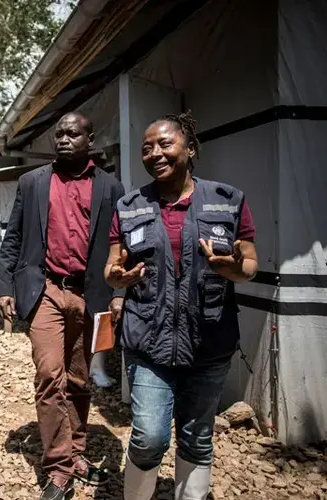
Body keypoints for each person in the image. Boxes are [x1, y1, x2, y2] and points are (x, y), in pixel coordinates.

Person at [105, 111, 258, 500]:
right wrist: (116, 280)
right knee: (149, 436)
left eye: (165, 144)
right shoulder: (128, 206)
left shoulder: (228, 200)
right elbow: (111, 267)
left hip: (209, 341)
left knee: (196, 437)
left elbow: (250, 264)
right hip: (148, 340)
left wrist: (235, 269)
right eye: (147, 148)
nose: (155, 153)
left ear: (190, 149)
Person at [0, 112, 125, 500]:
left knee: (80, 379)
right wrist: (5, 287)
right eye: (60, 134)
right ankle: (59, 467)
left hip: (90, 294)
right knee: (50, 374)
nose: (65, 139)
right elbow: (13, 236)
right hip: (46, 290)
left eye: (73, 134)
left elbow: (122, 243)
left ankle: (78, 449)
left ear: (90, 138)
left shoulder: (110, 187)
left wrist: (118, 292)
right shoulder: (32, 182)